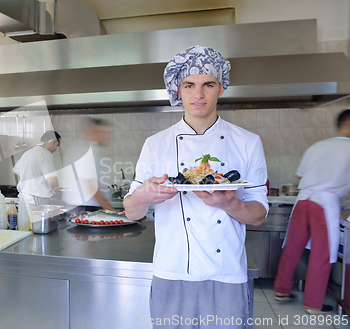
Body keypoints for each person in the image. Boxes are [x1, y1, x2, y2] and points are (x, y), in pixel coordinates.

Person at [123, 45, 268, 328]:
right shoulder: (156, 144)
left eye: (208, 84)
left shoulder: (248, 142)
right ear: (178, 90)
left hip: (226, 273)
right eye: (189, 85)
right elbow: (131, 212)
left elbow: (259, 215)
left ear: (221, 88)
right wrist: (144, 194)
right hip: (172, 272)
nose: (198, 94)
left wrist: (228, 203)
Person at [273, 109, 350, 315]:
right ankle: (314, 304)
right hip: (323, 204)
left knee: (292, 247)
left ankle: (281, 290)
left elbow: (300, 175)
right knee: (321, 254)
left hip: (303, 200)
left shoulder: (318, 146)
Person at [61, 117, 117, 213]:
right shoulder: (88, 150)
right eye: (105, 133)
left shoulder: (80, 147)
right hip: (84, 208)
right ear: (94, 132)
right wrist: (112, 211)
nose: (109, 137)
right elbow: (91, 187)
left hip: (79, 207)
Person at [13, 130, 61, 224]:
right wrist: (56, 188)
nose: (56, 149)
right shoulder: (45, 154)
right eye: (57, 145)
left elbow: (15, 171)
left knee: (25, 228)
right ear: (51, 142)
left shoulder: (28, 153)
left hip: (23, 199)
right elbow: (52, 180)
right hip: (36, 201)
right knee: (37, 229)